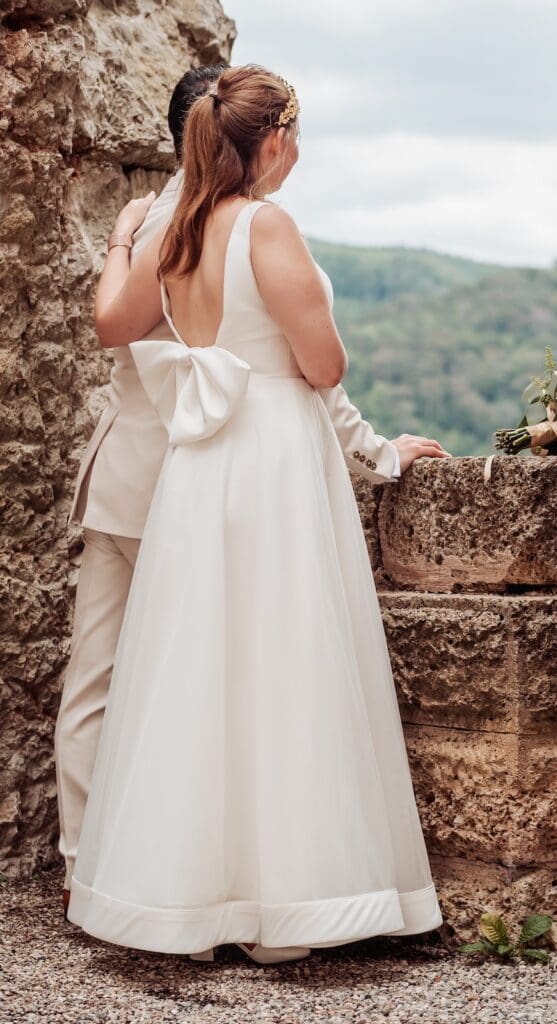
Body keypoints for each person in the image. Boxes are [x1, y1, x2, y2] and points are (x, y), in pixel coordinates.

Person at [65, 64, 446, 963]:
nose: (298, 153)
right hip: (270, 455)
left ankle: (186, 904)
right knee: (281, 666)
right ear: (271, 140)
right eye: (294, 135)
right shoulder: (264, 224)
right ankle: (285, 909)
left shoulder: (176, 227)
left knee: (195, 675)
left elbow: (124, 320)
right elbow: (321, 364)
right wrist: (381, 450)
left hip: (201, 465)